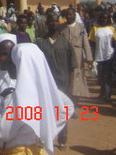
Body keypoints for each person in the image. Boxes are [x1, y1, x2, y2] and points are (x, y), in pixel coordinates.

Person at [0, 43, 73, 155]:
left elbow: (2, 132)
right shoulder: (46, 94)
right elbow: (68, 108)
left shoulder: (17, 98)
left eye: (11, 60)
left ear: (20, 64)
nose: (8, 64)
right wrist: (47, 129)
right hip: (38, 150)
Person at [35, 13, 76, 149]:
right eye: (51, 21)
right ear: (47, 24)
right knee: (45, 112)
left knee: (61, 112)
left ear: (59, 23)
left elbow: (72, 67)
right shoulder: (40, 43)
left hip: (62, 84)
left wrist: (70, 87)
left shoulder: (66, 43)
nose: (54, 24)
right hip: (45, 84)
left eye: (56, 21)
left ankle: (62, 138)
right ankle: (45, 138)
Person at [60, 7, 93, 98]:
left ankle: (76, 94)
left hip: (78, 54)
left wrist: (89, 57)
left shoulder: (80, 27)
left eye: (71, 14)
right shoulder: (62, 27)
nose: (69, 16)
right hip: (65, 54)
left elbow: (85, 42)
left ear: (75, 15)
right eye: (68, 15)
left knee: (77, 74)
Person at [89, 10, 116, 102]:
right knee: (101, 76)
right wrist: (91, 57)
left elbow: (114, 42)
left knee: (108, 76)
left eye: (105, 18)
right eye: (102, 18)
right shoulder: (95, 29)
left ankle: (108, 95)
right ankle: (102, 92)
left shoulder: (111, 29)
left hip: (109, 56)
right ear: (99, 19)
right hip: (98, 56)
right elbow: (92, 43)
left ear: (108, 19)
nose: (104, 20)